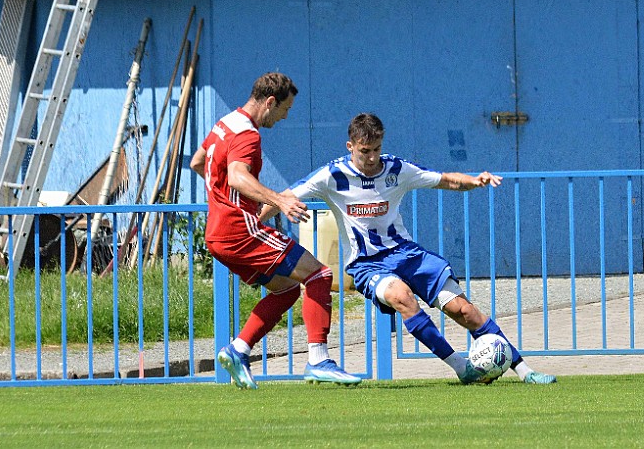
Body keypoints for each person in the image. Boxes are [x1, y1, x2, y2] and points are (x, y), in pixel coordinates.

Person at [258, 113, 556, 385]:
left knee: (464, 311)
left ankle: (524, 370)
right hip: (366, 265)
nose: (372, 157)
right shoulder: (331, 176)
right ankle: (461, 367)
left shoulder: (397, 169)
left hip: (408, 255)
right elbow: (282, 197)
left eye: (376, 149)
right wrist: (253, 224)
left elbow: (445, 180)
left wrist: (475, 180)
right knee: (402, 297)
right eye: (365, 151)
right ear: (350, 146)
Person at [189, 72, 361, 389]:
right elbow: (239, 177)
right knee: (320, 275)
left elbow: (199, 162)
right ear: (270, 102)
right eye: (285, 109)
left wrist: (222, 196)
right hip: (239, 230)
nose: (284, 117)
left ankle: (238, 350)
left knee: (286, 289)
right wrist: (278, 200)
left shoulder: (224, 124)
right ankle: (319, 360)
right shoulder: (248, 135)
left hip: (218, 233)